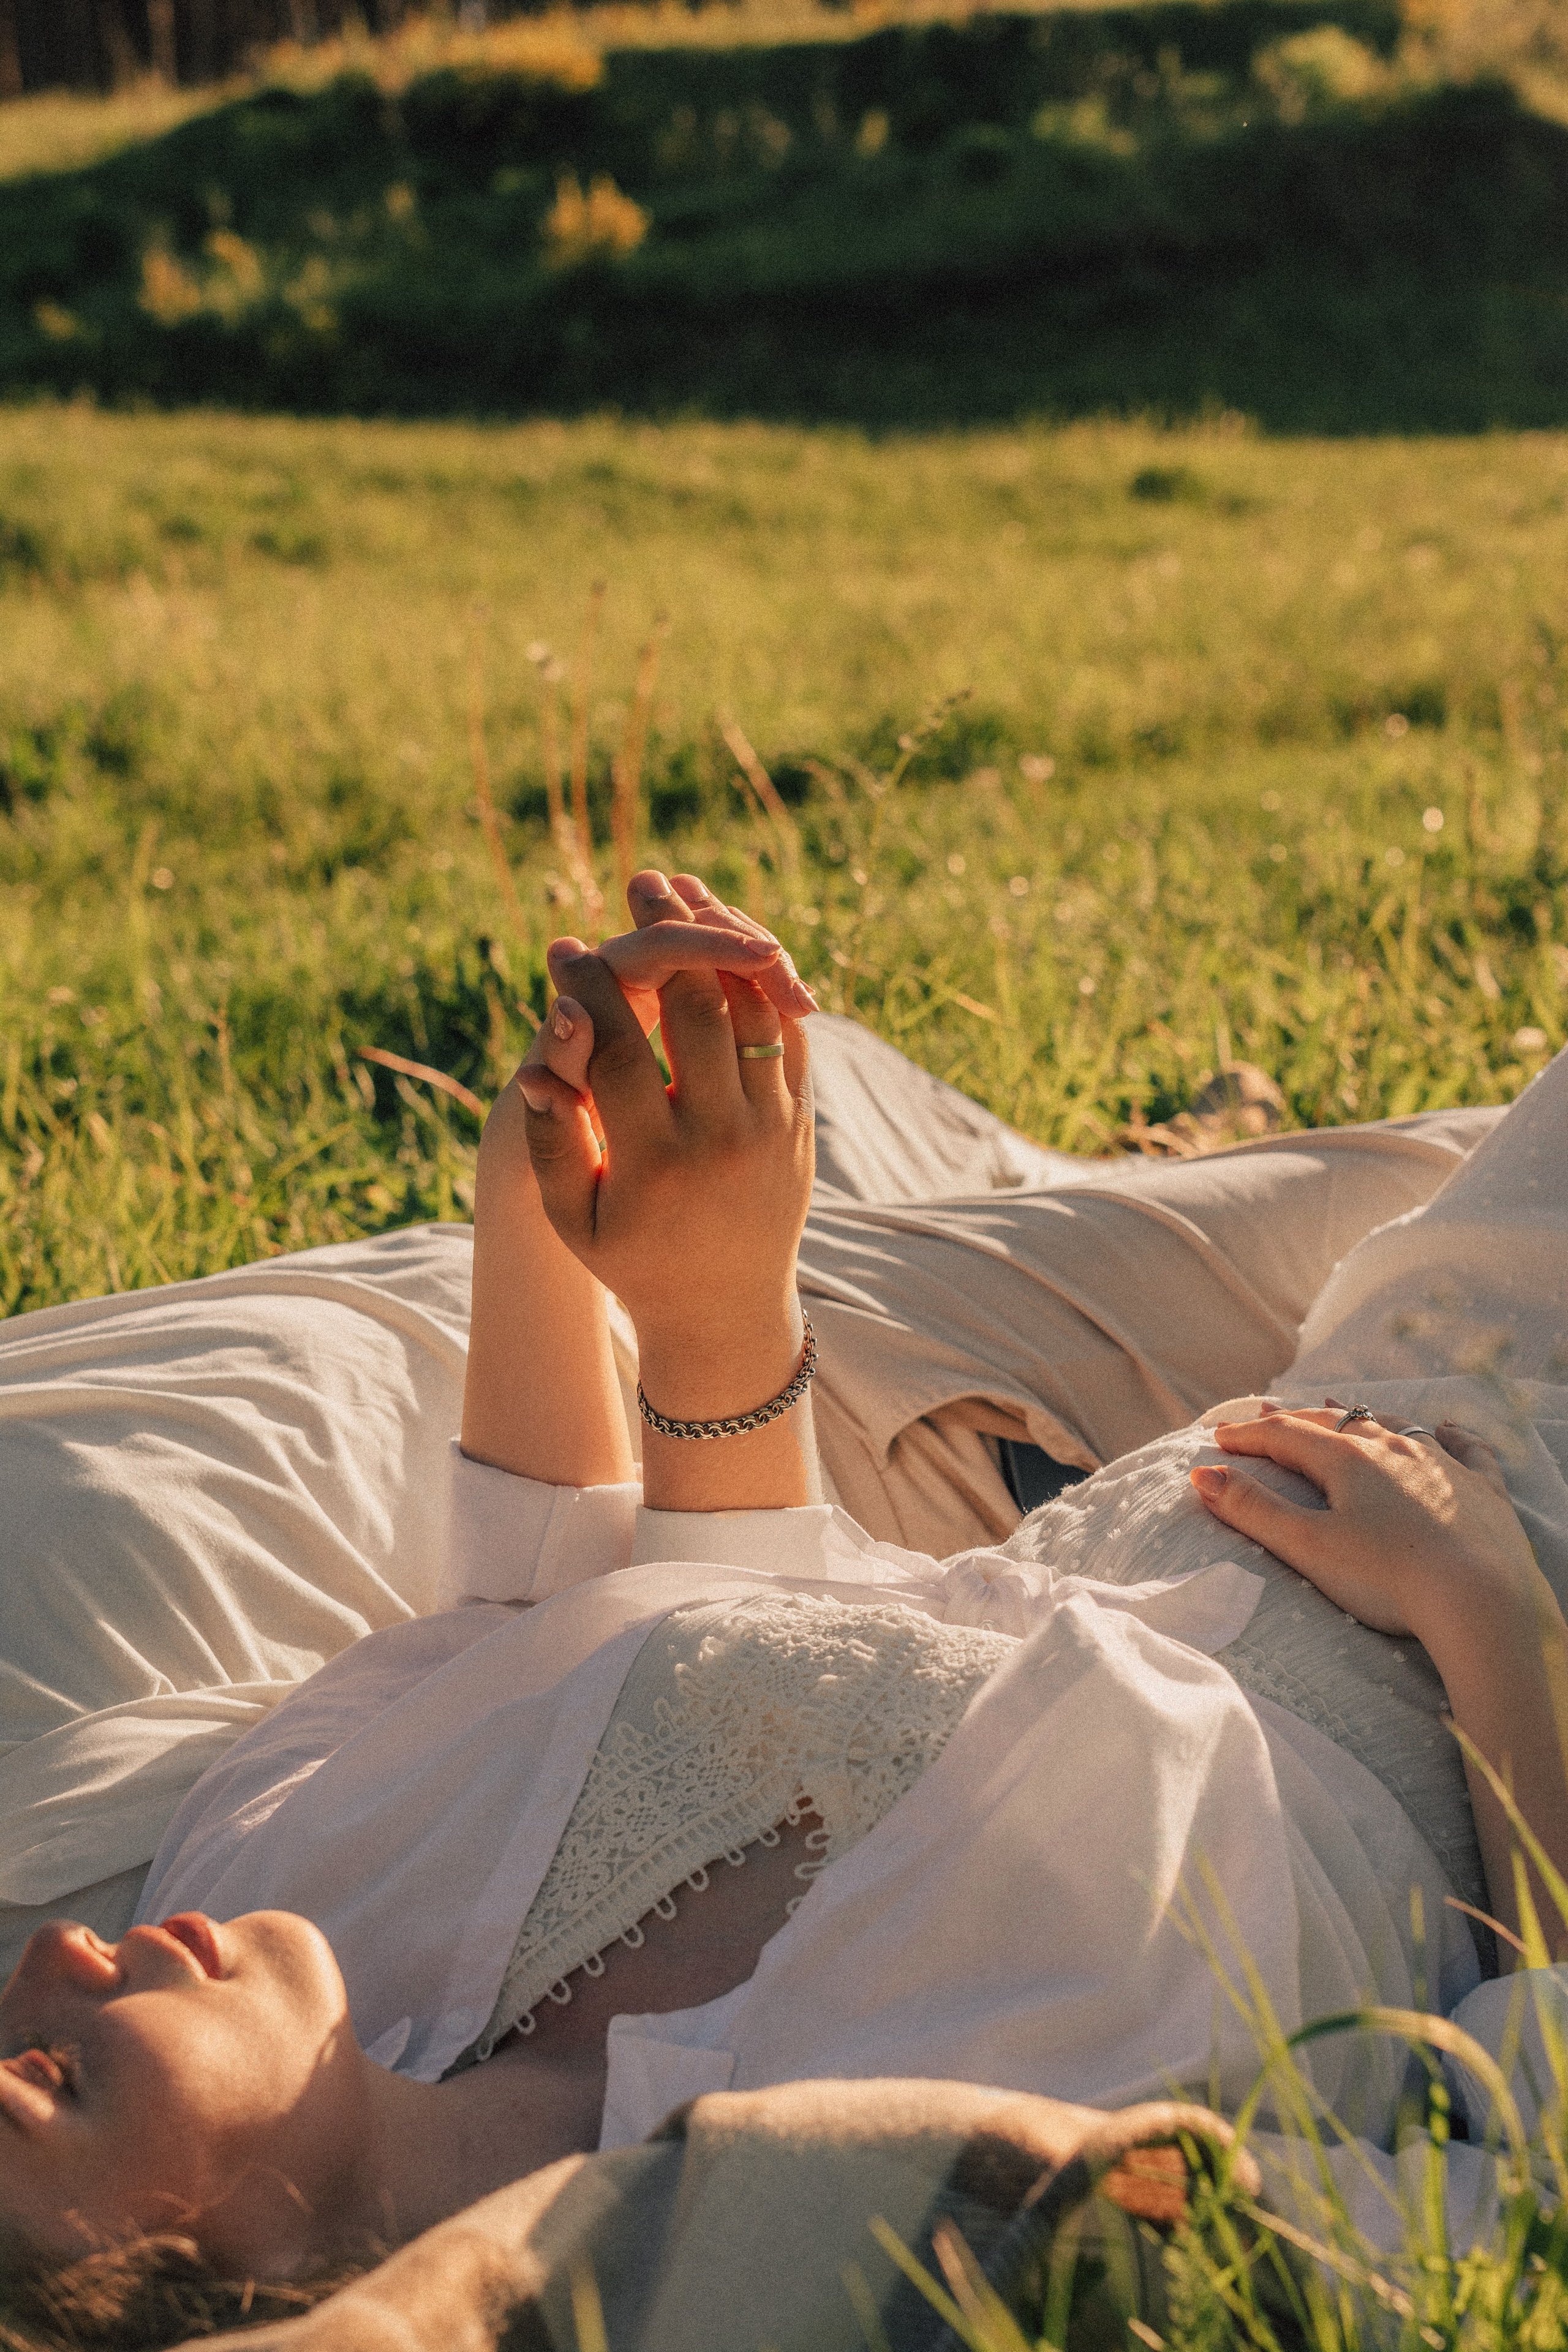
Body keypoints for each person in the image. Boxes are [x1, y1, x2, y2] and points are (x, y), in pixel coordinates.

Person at [0, 871, 1564, 2342]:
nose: (60, 1954)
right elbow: (1518, 2164)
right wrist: (1492, 1622)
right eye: (54, 2077)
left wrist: (576, 1185)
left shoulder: (283, 1882)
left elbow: (567, 1617)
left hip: (1378, 1369)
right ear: (247, 2291)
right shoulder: (902, 2229)